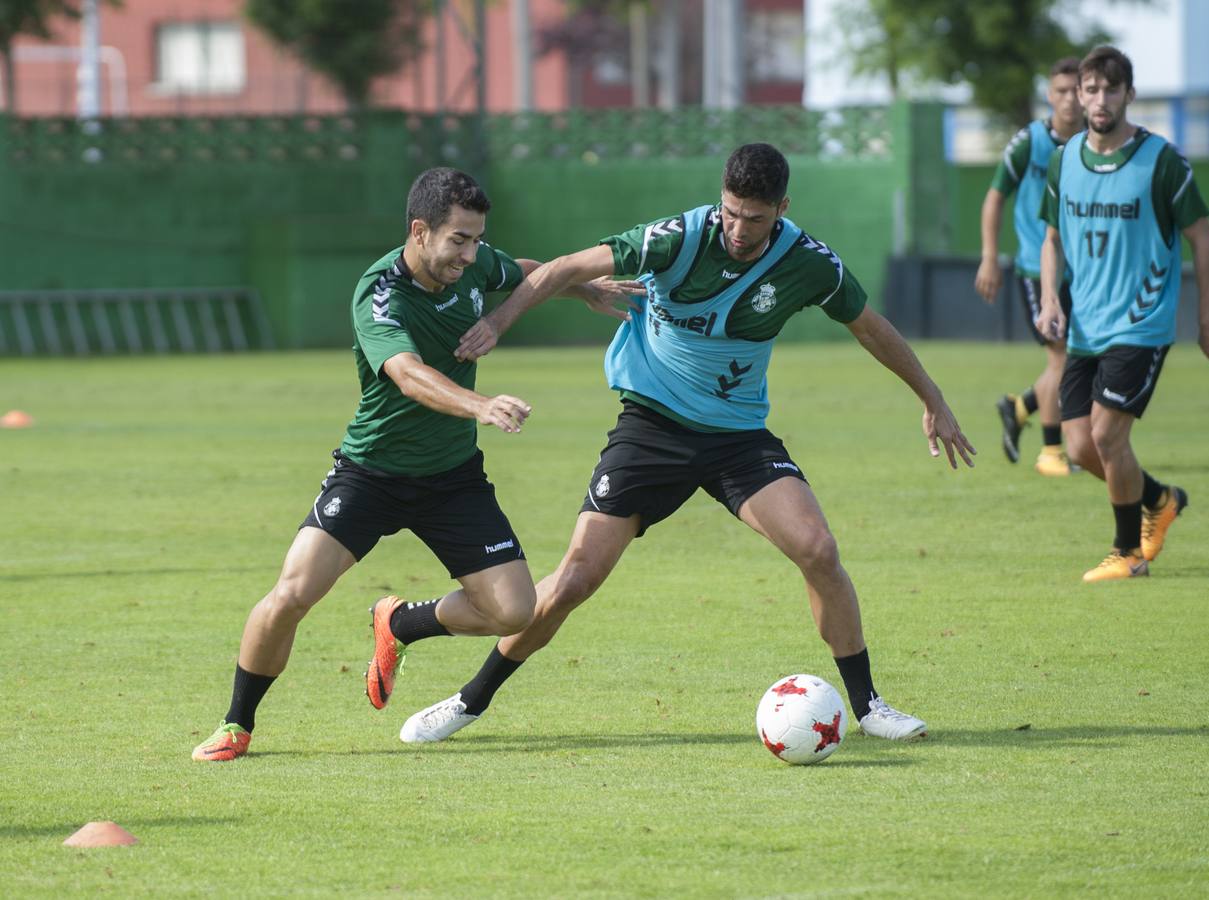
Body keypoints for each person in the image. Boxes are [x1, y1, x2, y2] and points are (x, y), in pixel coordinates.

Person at [376, 142, 975, 747]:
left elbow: (870, 327)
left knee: (818, 549)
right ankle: (467, 701)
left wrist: (933, 397)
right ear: (722, 199)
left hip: (738, 438)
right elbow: (562, 268)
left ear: (782, 209)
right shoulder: (675, 239)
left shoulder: (808, 263)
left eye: (756, 218)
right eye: (732, 213)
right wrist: (498, 325)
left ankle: (869, 706)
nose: (739, 230)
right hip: (651, 431)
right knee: (573, 582)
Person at [191, 167, 628, 761]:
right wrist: (479, 404)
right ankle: (236, 724)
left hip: (452, 479)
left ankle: (400, 623)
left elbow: (523, 271)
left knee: (514, 610)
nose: (471, 255)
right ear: (420, 232)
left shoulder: (472, 266)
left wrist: (584, 290)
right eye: (459, 240)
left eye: (477, 240)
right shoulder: (381, 294)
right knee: (292, 593)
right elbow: (408, 375)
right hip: (370, 475)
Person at [1036, 47, 1209, 583]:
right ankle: (1160, 499)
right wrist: (1052, 300)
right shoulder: (1064, 159)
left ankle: (1128, 553)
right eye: (1090, 89)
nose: (1099, 100)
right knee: (1078, 446)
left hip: (1141, 323)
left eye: (1110, 90)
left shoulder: (1161, 161)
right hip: (1086, 327)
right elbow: (1051, 239)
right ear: (1079, 95)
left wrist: (1208, 320)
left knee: (1106, 437)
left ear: (1129, 95)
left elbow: (1204, 239)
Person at [975, 57, 1083, 477]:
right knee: (1063, 361)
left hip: (1085, 271)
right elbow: (994, 196)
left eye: (1077, 90)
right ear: (1049, 95)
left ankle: (1019, 407)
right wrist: (989, 256)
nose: (1070, 99)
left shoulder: (1094, 143)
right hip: (1038, 270)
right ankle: (1051, 453)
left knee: (1080, 360)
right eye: (1061, 91)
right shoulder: (1031, 143)